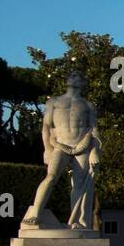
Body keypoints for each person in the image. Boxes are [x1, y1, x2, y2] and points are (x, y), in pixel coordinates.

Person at [23, 71, 101, 230]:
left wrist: (95, 151)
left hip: (82, 146)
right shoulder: (54, 102)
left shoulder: (88, 105)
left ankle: (78, 222)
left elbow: (94, 131)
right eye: (72, 76)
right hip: (60, 145)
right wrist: (47, 149)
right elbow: (46, 126)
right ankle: (36, 212)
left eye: (78, 77)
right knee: (50, 177)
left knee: (80, 185)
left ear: (82, 83)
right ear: (67, 80)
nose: (74, 78)